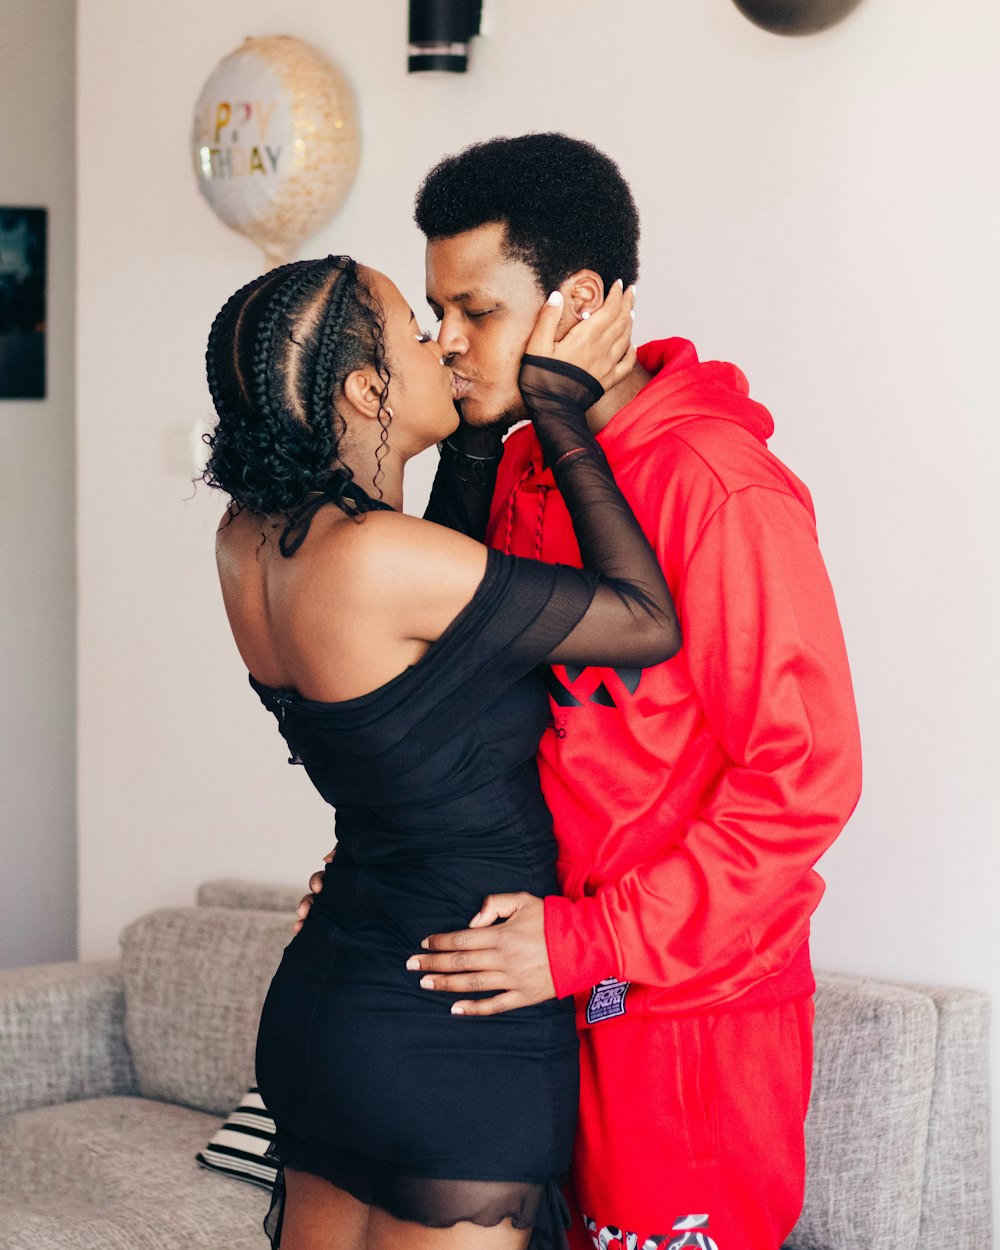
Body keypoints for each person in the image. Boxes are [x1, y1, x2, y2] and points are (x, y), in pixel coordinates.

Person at [300, 134, 863, 1250]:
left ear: (581, 300)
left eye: (476, 310)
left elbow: (803, 783)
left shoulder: (719, 489)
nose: (448, 344)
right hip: (538, 1000)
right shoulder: (520, 465)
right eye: (433, 312)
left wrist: (586, 943)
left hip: (681, 1017)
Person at [203, 254, 680, 1250]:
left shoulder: (251, 541)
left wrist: (470, 444)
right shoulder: (377, 562)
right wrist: (555, 408)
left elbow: (432, 640)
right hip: (455, 1006)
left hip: (333, 995)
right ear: (367, 389)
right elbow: (642, 618)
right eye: (418, 334)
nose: (447, 346)